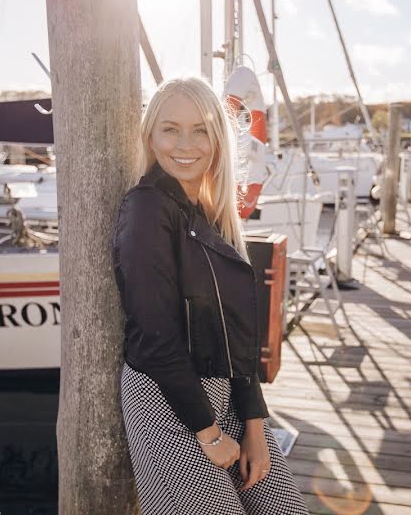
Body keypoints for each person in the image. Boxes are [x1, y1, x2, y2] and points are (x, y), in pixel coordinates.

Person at [113, 77, 308, 513]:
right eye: (170, 128)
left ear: (218, 138)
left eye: (201, 129)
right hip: (168, 402)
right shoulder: (146, 209)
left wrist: (255, 426)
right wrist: (209, 433)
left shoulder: (209, 213)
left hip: (225, 391)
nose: (187, 143)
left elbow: (236, 333)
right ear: (150, 135)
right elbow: (156, 336)